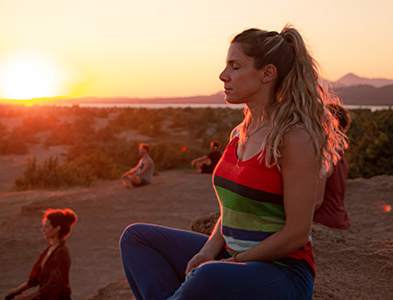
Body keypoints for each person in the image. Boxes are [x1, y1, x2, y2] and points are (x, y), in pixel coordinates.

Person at [120, 25, 346, 300]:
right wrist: (205, 253)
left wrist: (233, 262)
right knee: (136, 238)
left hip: (282, 271)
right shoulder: (239, 133)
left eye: (235, 66)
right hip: (232, 256)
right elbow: (229, 215)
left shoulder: (294, 138)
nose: (223, 75)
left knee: (209, 276)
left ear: (267, 73)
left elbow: (297, 234)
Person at [5, 208, 77, 300]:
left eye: (46, 227)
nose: (43, 230)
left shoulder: (61, 253)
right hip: (46, 296)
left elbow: (54, 285)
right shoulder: (50, 250)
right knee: (10, 297)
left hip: (57, 298)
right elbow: (36, 279)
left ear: (57, 228)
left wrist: (28, 298)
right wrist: (17, 290)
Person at [314, 103, 351, 229]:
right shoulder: (339, 152)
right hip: (340, 218)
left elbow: (317, 202)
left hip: (324, 221)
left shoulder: (326, 154)